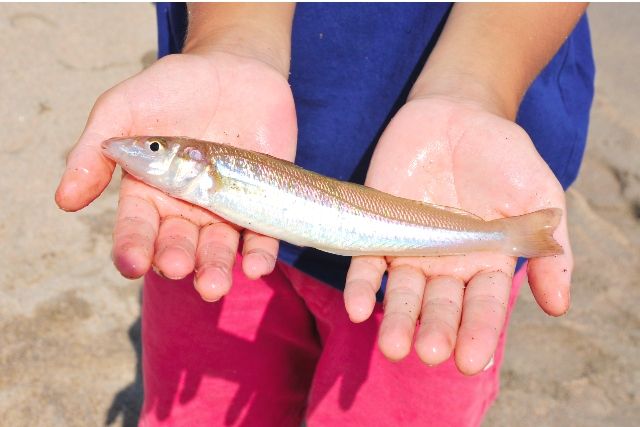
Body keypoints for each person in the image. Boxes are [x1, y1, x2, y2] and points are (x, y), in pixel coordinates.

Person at [55, 3, 594, 426]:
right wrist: (230, 36)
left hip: (427, 226)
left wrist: (480, 88)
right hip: (229, 255)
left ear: (195, 163)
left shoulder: (209, 171)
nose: (140, 152)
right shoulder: (204, 178)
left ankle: (504, 235)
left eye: (154, 150)